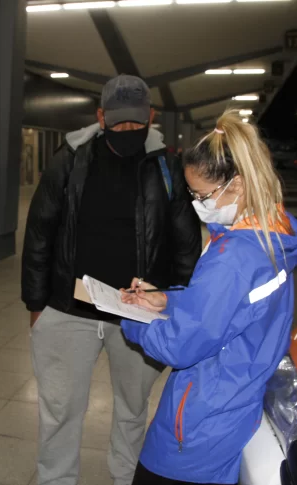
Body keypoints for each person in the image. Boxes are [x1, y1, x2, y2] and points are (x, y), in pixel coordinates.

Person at [22, 74, 202, 485]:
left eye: (135, 122)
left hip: (138, 312)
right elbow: (39, 234)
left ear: (151, 117)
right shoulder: (68, 160)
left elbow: (186, 247)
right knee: (59, 410)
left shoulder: (168, 168)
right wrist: (37, 306)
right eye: (118, 122)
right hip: (69, 309)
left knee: (133, 409)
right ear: (101, 117)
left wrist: (176, 308)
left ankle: (126, 478)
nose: (126, 131)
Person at [119, 110, 297, 485]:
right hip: (234, 404)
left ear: (236, 184)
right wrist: (167, 300)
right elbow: (227, 309)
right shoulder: (272, 234)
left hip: (198, 421)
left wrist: (132, 318)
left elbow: (181, 346)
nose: (196, 203)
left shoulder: (235, 258)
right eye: (190, 193)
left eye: (202, 194)